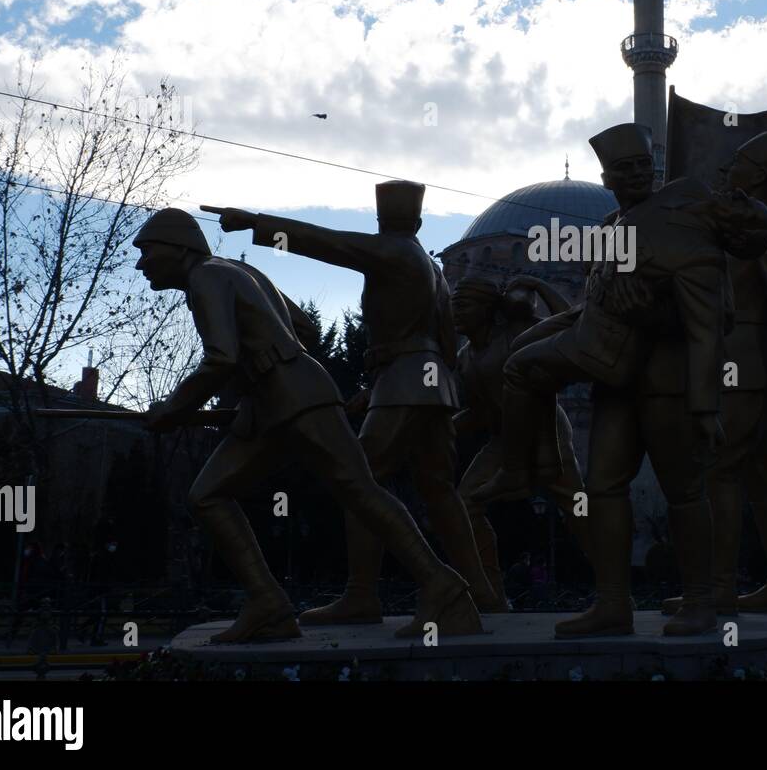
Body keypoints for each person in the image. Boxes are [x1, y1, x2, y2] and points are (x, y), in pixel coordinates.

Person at [472, 122, 767, 637]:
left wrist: (705, 407)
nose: (633, 175)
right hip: (614, 381)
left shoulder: (685, 228)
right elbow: (596, 311)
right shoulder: (614, 226)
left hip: (666, 385)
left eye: (641, 167)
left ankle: (701, 600)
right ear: (608, 176)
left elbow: (711, 323)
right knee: (603, 486)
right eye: (623, 168)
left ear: (654, 171)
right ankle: (613, 603)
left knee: (683, 490)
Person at [133, 207, 480, 642]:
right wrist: (257, 381)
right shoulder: (239, 271)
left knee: (359, 487)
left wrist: (173, 407)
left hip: (294, 399)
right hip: (278, 400)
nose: (141, 263)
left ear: (177, 246)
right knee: (211, 494)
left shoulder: (204, 278)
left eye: (146, 251)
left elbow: (220, 356)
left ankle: (443, 591)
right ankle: (269, 606)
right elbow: (303, 328)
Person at [207, 183, 500, 621]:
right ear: (418, 222)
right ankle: (482, 592)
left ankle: (364, 595)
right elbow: (443, 342)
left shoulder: (396, 252)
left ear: (382, 224)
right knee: (439, 490)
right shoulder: (431, 269)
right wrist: (383, 386)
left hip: (405, 381)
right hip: (428, 385)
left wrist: (256, 222)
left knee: (359, 483)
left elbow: (328, 242)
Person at [661, 132, 767, 617]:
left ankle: (719, 588)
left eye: (741, 160)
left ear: (763, 177)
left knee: (719, 469)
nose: (728, 166)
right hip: (742, 364)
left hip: (744, 366)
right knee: (760, 475)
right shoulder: (735, 222)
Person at [450, 274, 592, 608]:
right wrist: (444, 429)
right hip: (503, 440)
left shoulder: (517, 333)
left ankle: (616, 592)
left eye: (464, 305)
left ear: (488, 309)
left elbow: (573, 324)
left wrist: (540, 286)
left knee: (578, 507)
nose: (455, 313)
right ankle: (491, 594)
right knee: (464, 504)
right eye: (453, 305)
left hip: (545, 430)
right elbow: (480, 412)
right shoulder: (466, 357)